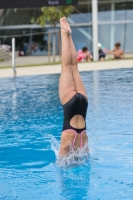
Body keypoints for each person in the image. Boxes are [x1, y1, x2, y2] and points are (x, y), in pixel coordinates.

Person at [59, 17, 88, 156]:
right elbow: (61, 162)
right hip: (70, 104)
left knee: (74, 67)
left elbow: (87, 157)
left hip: (83, 104)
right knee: (66, 67)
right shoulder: (68, 143)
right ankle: (65, 34)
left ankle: (68, 34)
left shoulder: (84, 143)